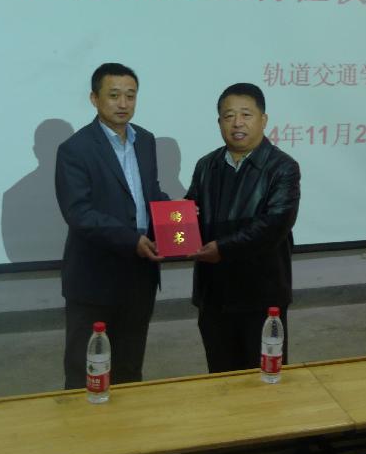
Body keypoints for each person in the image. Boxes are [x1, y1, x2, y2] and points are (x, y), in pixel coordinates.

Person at [55, 62, 167, 388]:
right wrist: (132, 240)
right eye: (114, 95)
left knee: (129, 368)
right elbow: (80, 213)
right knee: (85, 370)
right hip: (95, 278)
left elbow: (150, 194)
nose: (123, 103)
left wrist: (181, 214)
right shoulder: (75, 149)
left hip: (140, 276)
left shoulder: (145, 140)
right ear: (94, 99)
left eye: (130, 95)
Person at [187, 82, 300, 373]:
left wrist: (222, 248)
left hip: (262, 295)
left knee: (264, 375)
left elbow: (274, 224)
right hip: (214, 294)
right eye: (229, 116)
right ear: (219, 122)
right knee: (221, 375)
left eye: (246, 114)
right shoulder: (206, 165)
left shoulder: (283, 167)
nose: (237, 123)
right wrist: (178, 221)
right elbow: (191, 210)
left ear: (263, 119)